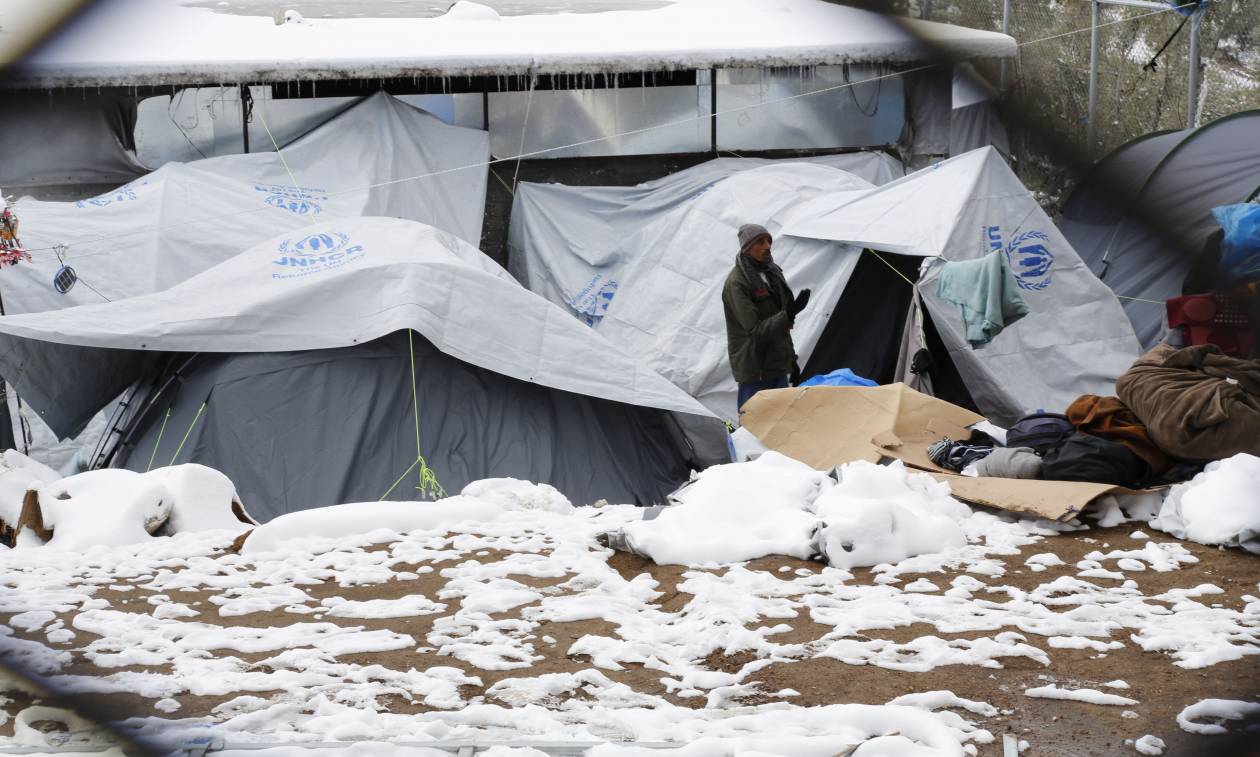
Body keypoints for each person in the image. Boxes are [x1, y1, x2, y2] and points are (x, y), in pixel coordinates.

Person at [722, 223, 811, 411]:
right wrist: (788, 313)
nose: (767, 246)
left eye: (769, 241)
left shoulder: (772, 273)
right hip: (756, 371)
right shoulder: (738, 283)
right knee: (753, 426)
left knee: (779, 424)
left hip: (777, 365)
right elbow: (755, 331)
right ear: (747, 248)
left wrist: (791, 362)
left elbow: (782, 329)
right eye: (760, 242)